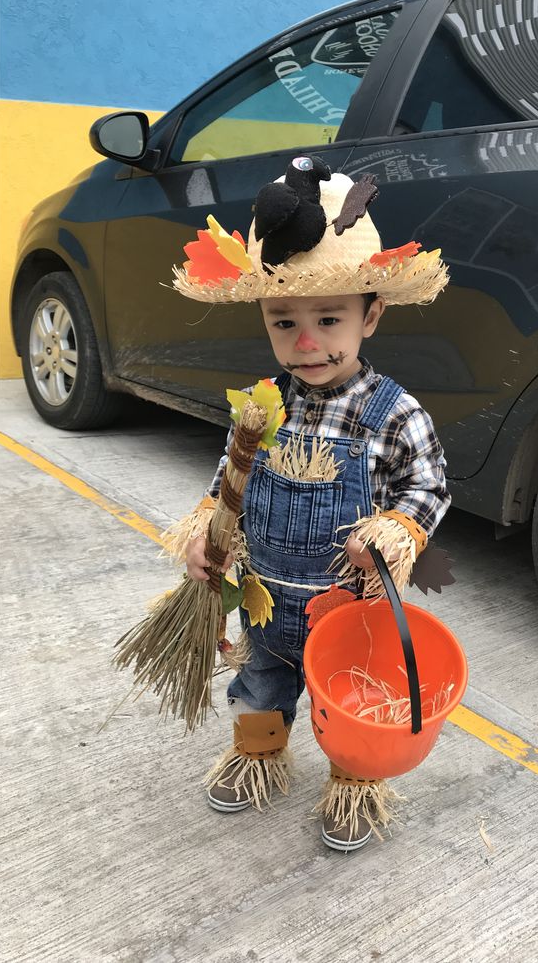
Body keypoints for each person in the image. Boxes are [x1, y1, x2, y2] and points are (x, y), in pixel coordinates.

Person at [176, 155, 450, 852]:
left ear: (372, 314)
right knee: (259, 688)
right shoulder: (262, 405)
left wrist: (393, 530)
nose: (306, 342)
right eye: (283, 321)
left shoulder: (392, 413)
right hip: (266, 599)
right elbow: (228, 481)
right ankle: (260, 758)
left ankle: (356, 785)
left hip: (347, 612)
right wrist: (205, 534)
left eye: (329, 318)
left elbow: (429, 486)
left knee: (351, 707)